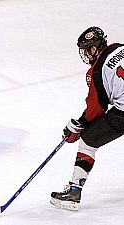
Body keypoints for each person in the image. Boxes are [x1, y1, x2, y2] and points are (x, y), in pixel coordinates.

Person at [50, 26, 124, 211]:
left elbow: (96, 108)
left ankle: (74, 192)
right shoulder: (120, 47)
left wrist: (79, 125)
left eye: (86, 49)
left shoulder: (97, 70)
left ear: (94, 48)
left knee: (88, 141)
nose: (85, 54)